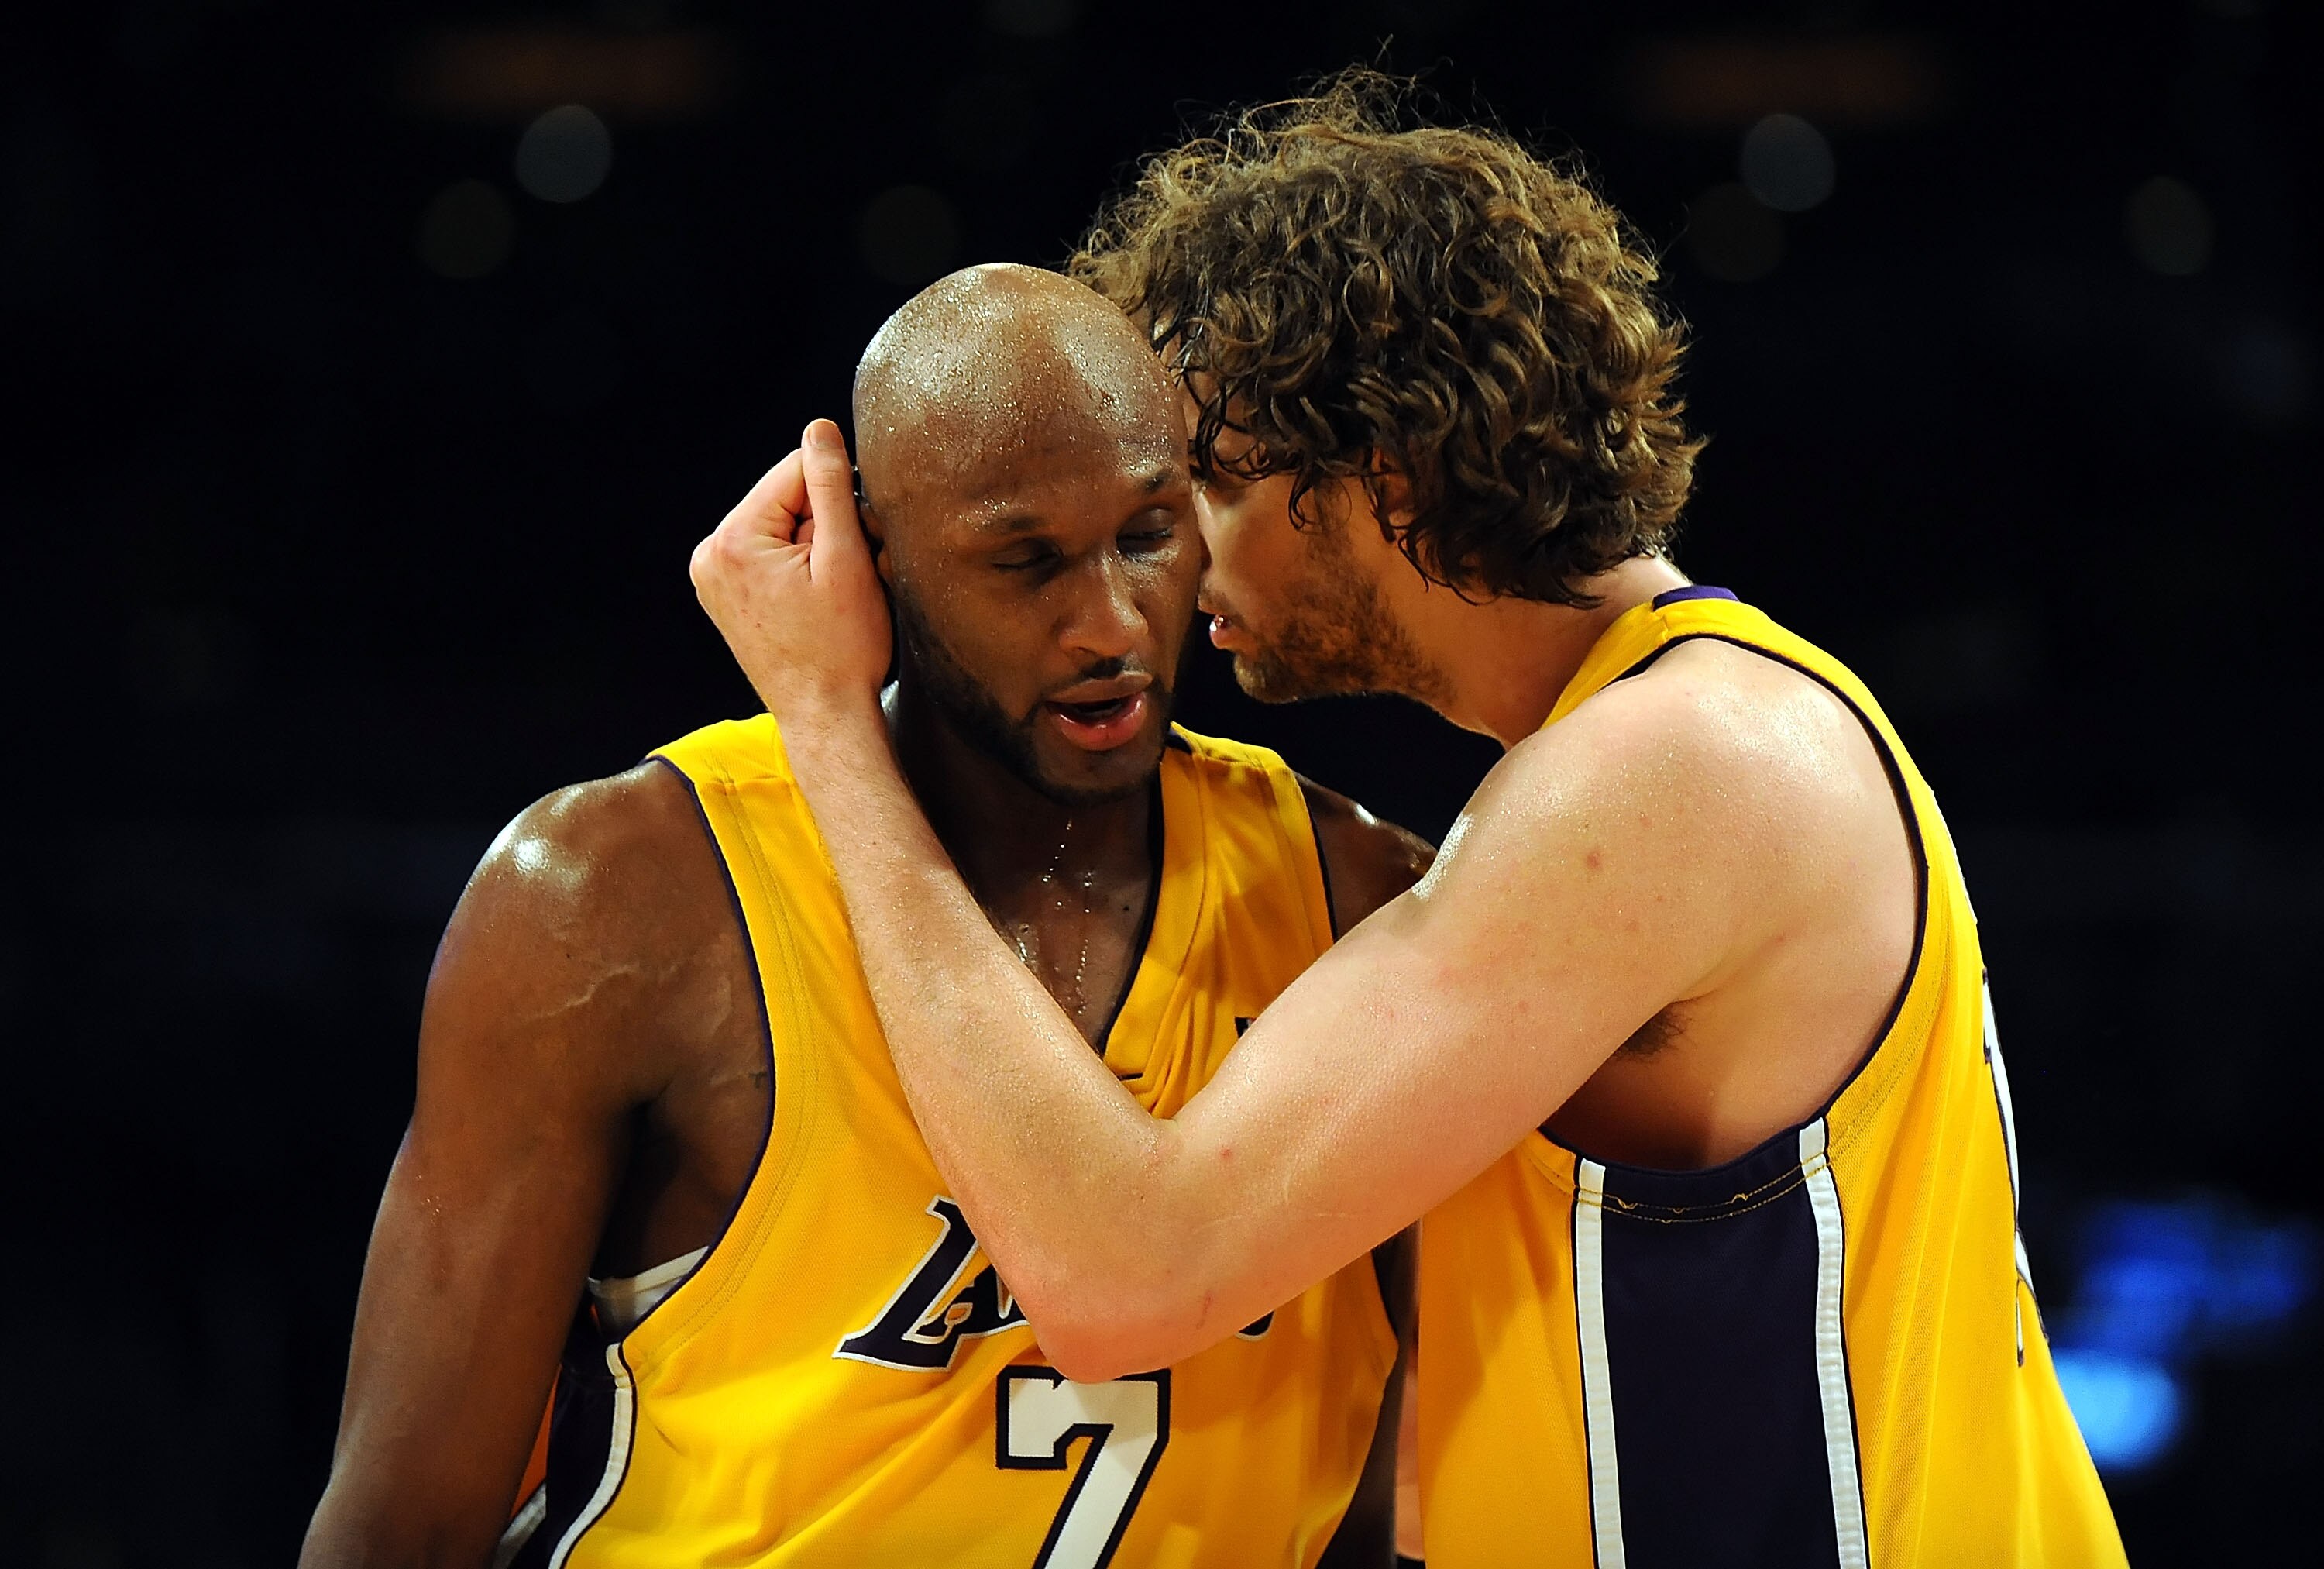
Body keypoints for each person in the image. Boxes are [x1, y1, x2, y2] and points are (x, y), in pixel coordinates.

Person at [689, 76, 2128, 1568]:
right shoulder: (1666, 737)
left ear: (1376, 469)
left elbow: (1125, 1274)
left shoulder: (1671, 770)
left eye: (1207, 486)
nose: (1175, 567)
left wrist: (827, 725)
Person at [300, 263, 1432, 1569]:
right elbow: (400, 1525)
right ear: (868, 558)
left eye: (1147, 533)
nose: (1111, 621)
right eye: (1026, 561)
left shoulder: (1359, 896)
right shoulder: (616, 899)